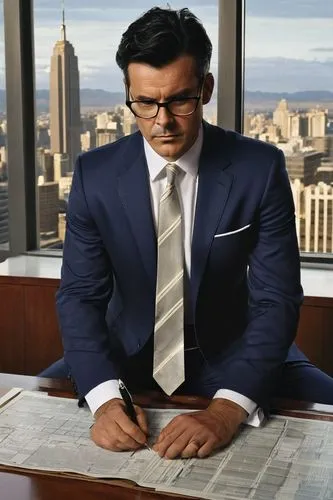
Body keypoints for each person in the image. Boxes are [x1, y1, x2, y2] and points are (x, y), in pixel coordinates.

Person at [47, 6, 333, 459]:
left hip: (235, 353)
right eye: (144, 102)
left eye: (179, 100)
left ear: (206, 89)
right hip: (124, 355)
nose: (162, 121)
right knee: (37, 409)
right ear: (128, 94)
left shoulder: (259, 169)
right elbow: (80, 295)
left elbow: (275, 299)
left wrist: (226, 410)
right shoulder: (94, 174)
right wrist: (103, 400)